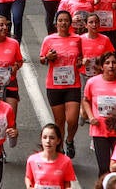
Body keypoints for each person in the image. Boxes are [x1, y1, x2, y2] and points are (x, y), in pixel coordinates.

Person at [82, 52, 116, 176]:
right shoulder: (92, 82)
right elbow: (85, 100)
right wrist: (91, 117)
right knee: (104, 168)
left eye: (114, 63)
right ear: (101, 67)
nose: (111, 66)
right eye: (107, 63)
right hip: (100, 130)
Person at [38, 11, 82, 158]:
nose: (63, 23)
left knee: (72, 119)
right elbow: (42, 60)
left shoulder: (77, 39)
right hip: (54, 85)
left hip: (72, 84)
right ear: (56, 23)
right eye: (60, 20)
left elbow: (81, 57)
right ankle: (61, 147)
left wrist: (82, 62)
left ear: (70, 23)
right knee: (60, 121)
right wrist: (47, 57)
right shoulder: (49, 39)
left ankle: (69, 140)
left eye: (66, 21)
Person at [24, 123, 76, 189]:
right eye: (45, 137)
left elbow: (67, 182)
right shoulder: (32, 160)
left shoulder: (66, 161)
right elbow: (28, 177)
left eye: (52, 138)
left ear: (58, 141)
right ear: (41, 139)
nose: (48, 141)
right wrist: (29, 186)